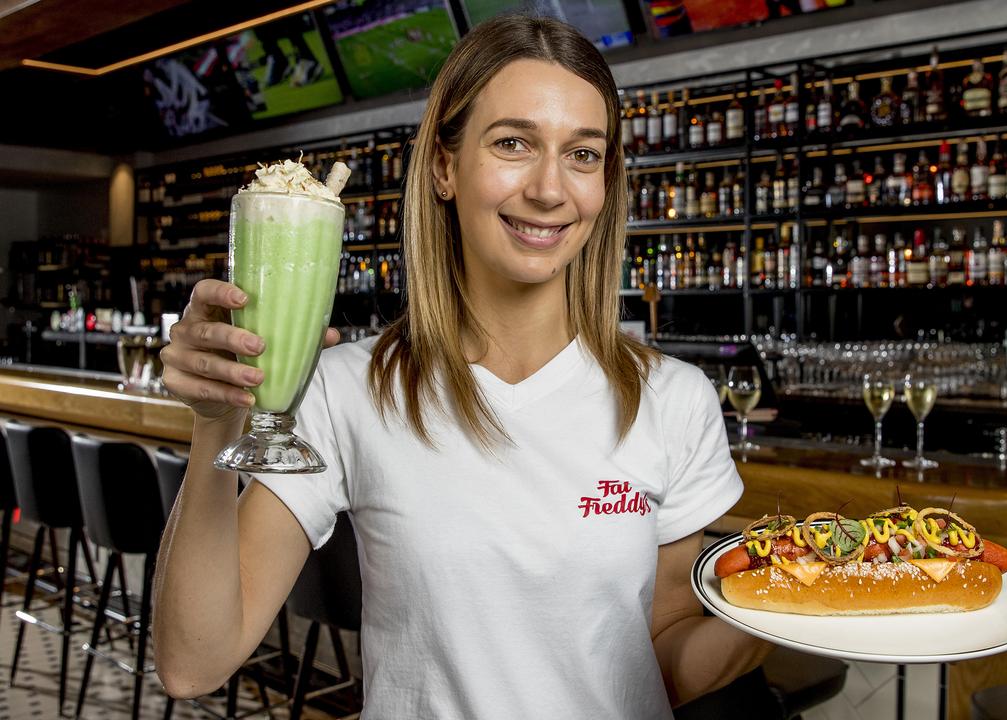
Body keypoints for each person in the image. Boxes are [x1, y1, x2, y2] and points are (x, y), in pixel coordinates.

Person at [153, 14, 773, 719]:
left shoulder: (672, 398)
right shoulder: (348, 390)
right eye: (513, 143)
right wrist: (215, 425)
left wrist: (782, 617)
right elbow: (192, 662)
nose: (549, 189)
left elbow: (659, 663)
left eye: (582, 154)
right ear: (445, 166)